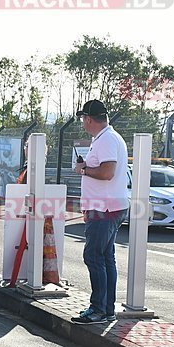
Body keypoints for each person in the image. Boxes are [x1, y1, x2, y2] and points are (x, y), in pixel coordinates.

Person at [71, 100, 129, 324]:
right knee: (105, 258)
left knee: (93, 256)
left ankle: (99, 310)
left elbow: (107, 173)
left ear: (88, 118)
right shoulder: (107, 137)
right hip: (107, 206)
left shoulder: (106, 140)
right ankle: (106, 309)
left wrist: (83, 169)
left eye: (83, 119)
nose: (83, 123)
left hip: (103, 209)